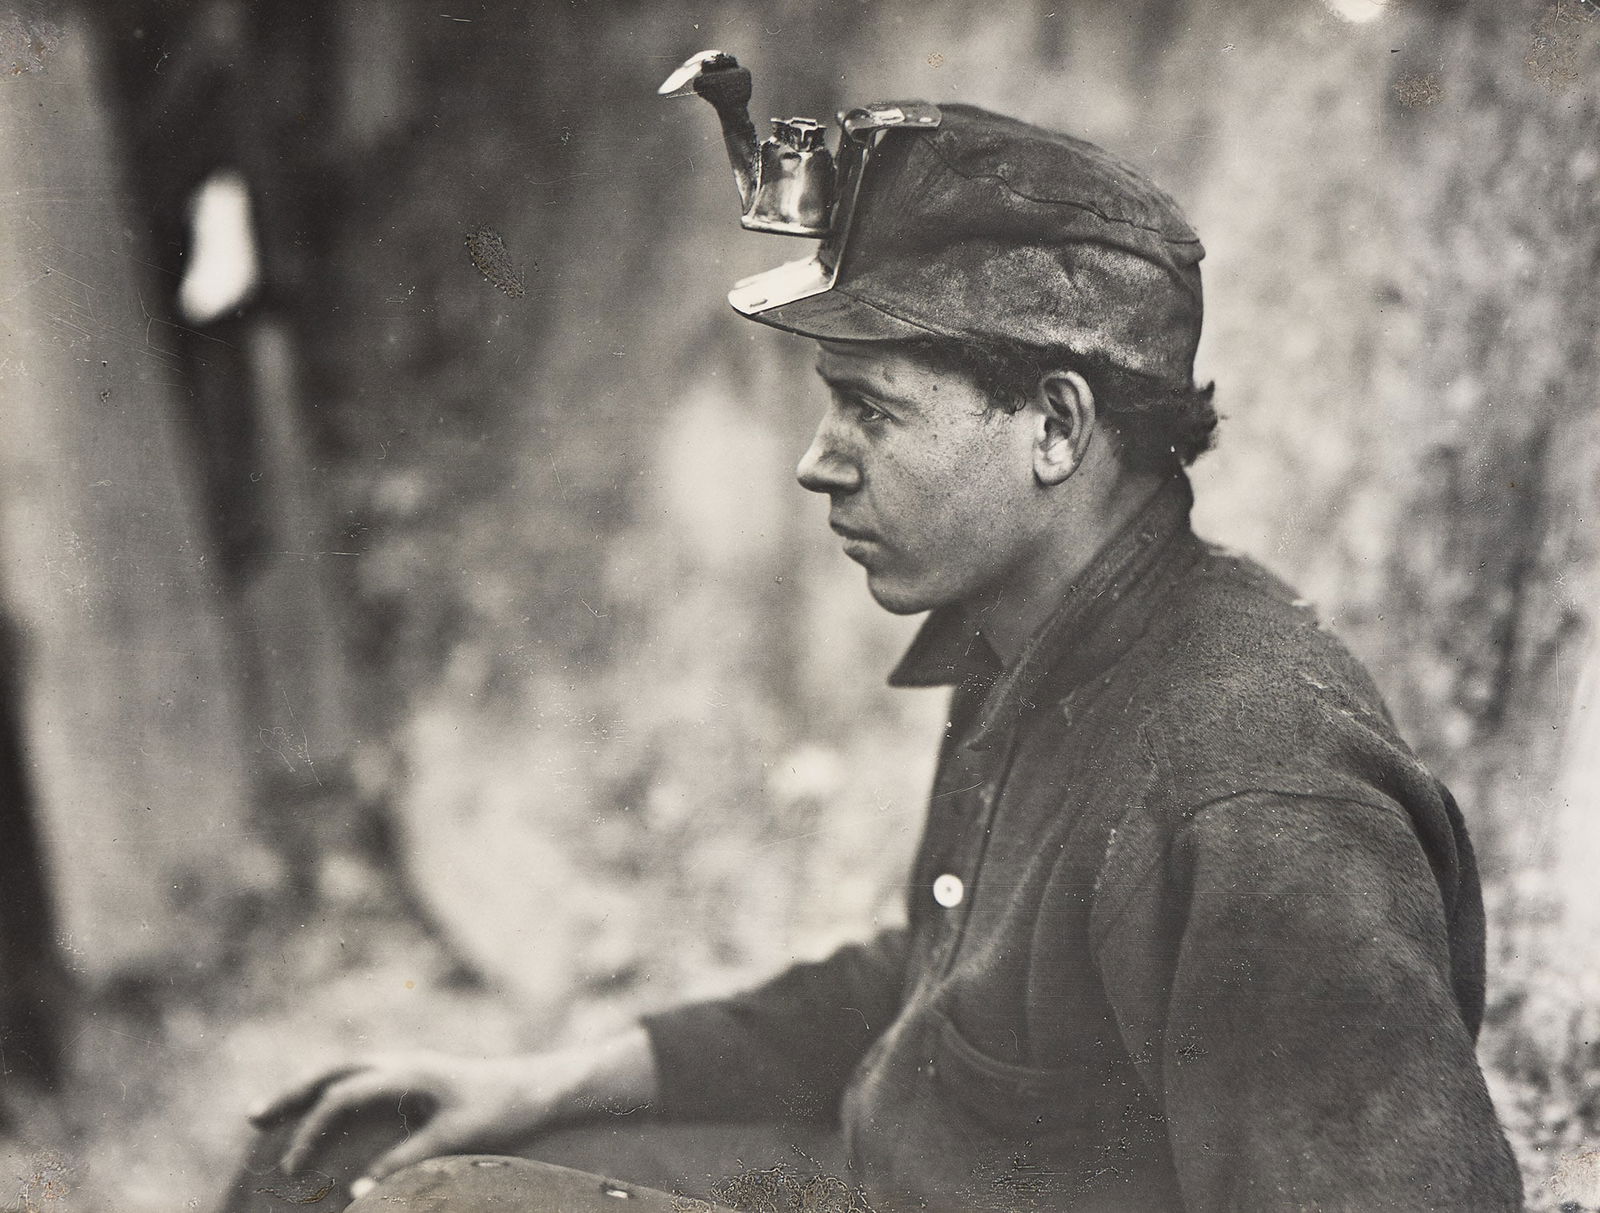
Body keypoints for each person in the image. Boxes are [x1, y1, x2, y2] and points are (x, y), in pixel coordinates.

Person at [224, 105, 1524, 1212]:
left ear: (1057, 426)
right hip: (871, 1169)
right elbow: (934, 995)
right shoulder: (1030, 638)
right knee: (332, 1157)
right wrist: (532, 1080)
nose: (818, 459)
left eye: (873, 409)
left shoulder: (1251, 799)